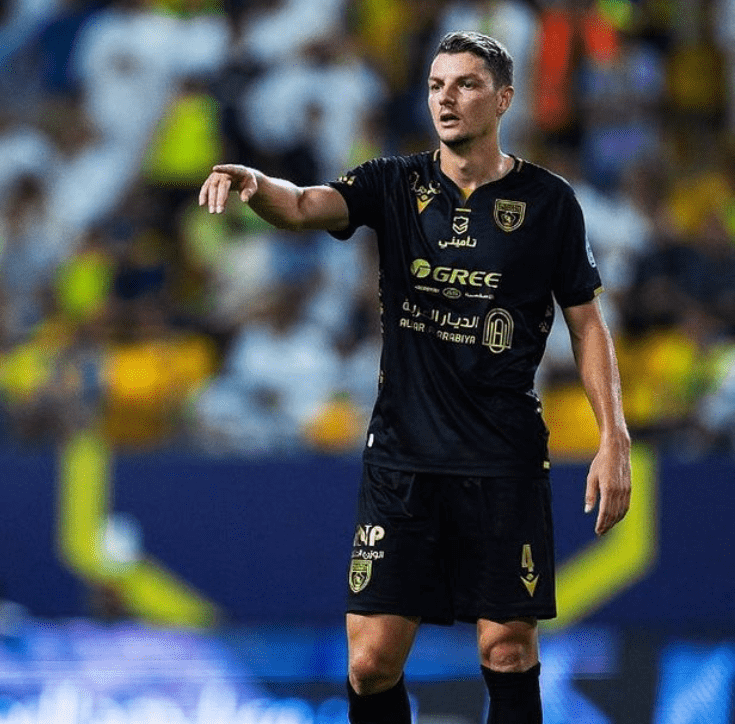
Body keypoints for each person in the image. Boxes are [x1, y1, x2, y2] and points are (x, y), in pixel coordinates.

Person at [199, 31, 631, 724]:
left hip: (503, 457)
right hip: (403, 457)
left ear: (504, 99)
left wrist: (615, 438)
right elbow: (304, 204)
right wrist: (257, 185)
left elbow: (587, 324)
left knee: (508, 650)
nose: (446, 99)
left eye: (465, 84)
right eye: (435, 86)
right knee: (370, 663)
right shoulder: (393, 183)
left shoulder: (549, 202)